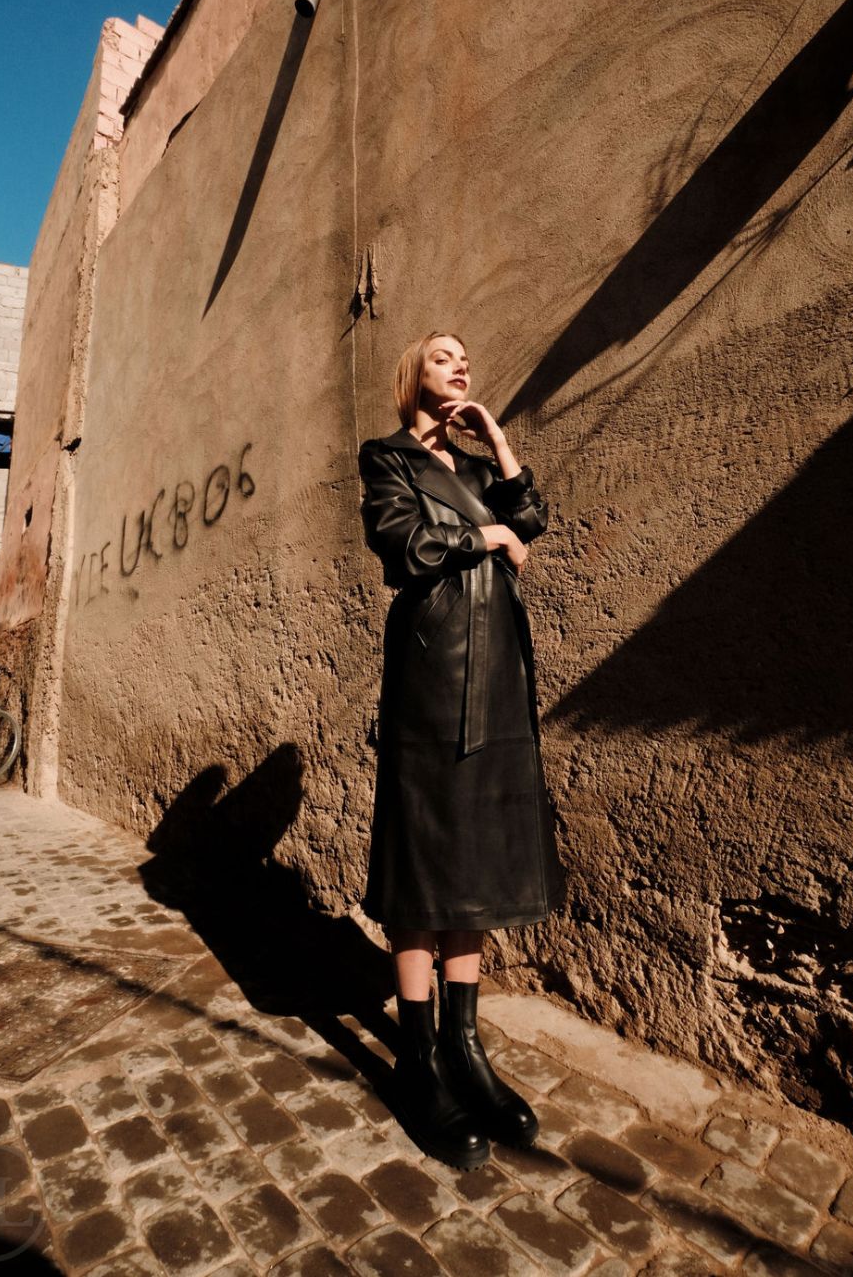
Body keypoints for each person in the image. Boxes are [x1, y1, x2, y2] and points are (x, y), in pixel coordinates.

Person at [357, 330, 567, 1170]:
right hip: (431, 672)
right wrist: (488, 541)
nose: (461, 365)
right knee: (424, 855)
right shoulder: (387, 458)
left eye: (466, 358)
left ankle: (464, 1044)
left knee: (474, 854)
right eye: (445, 357)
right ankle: (416, 1058)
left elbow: (533, 520)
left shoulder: (479, 471)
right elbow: (404, 546)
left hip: (499, 672)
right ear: (414, 372)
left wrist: (500, 442)